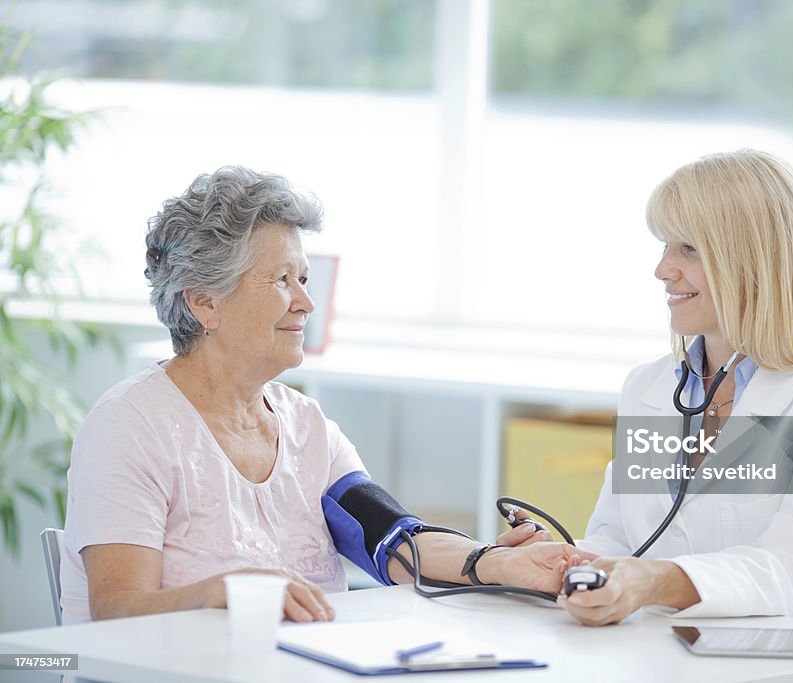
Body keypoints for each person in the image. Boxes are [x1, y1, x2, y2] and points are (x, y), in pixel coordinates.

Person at [60, 167, 588, 625]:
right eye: (282, 280)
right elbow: (115, 610)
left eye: (305, 278)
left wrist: (491, 563)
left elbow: (393, 541)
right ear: (204, 303)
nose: (307, 301)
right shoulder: (130, 426)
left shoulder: (306, 426)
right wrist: (218, 595)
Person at [500, 150, 793, 626]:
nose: (662, 270)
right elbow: (620, 541)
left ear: (755, 260)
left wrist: (655, 580)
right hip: (654, 656)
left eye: (689, 249)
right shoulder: (648, 386)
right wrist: (564, 562)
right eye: (664, 246)